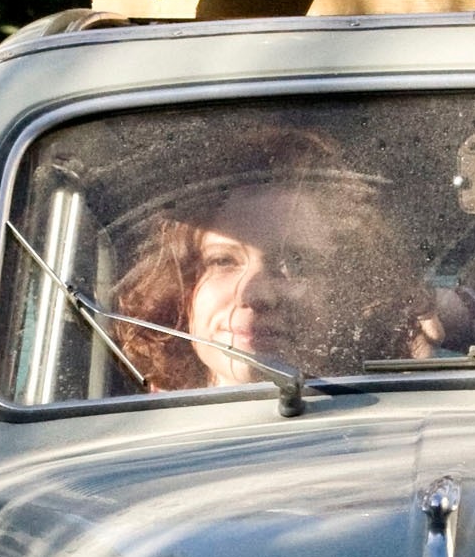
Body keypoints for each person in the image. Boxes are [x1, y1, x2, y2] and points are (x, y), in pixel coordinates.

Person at [110, 166, 418, 390]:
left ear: (349, 287)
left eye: (296, 264)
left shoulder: (400, 435)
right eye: (223, 261)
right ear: (183, 289)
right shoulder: (131, 447)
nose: (255, 295)